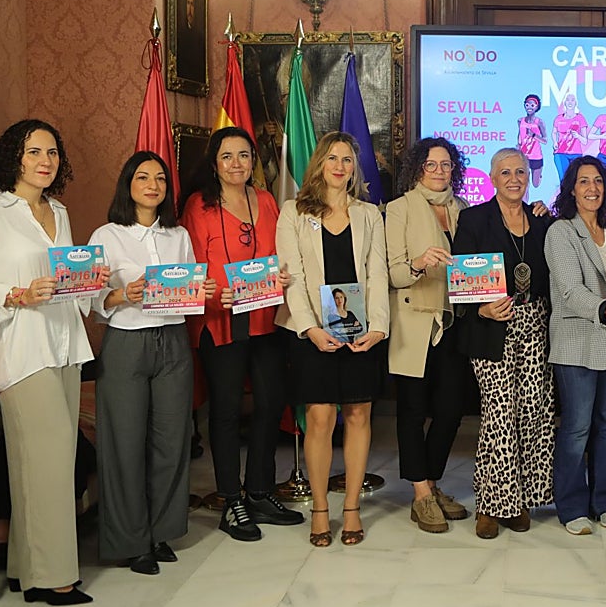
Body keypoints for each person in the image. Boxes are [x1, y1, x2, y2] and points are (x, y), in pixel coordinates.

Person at [0, 119, 103, 605]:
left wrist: (91, 280)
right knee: (51, 453)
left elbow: (66, 278)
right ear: (13, 157)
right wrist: (15, 295)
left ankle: (23, 566)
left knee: (38, 459)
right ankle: (55, 578)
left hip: (64, 341)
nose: (46, 160)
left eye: (53, 153)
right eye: (34, 151)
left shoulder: (58, 212)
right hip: (21, 348)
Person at [89, 152, 214, 575]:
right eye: (143, 177)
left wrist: (203, 287)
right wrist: (126, 294)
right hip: (126, 341)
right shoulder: (106, 235)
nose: (153, 185)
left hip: (173, 341)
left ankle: (161, 532)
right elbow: (91, 299)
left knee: (171, 440)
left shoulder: (177, 235)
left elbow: (188, 289)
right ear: (128, 184)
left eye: (160, 178)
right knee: (124, 442)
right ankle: (130, 539)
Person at [179, 126, 302, 541]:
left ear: (254, 162)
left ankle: (261, 492)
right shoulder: (198, 206)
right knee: (227, 412)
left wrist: (283, 274)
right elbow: (192, 266)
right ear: (214, 163)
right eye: (227, 156)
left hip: (265, 317)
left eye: (244, 156)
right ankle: (232, 500)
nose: (237, 164)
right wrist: (216, 296)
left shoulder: (267, 200)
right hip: (220, 320)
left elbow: (277, 253)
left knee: (270, 403)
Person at [275, 132, 388, 547]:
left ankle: (353, 507)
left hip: (361, 333)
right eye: (332, 158)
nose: (340, 166)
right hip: (312, 334)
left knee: (359, 415)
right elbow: (295, 275)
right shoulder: (293, 212)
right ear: (319, 163)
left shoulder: (369, 215)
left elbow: (377, 275)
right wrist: (311, 329)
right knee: (320, 418)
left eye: (347, 159)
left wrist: (377, 327)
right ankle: (321, 509)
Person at [452, 147, 555, 539]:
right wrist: (481, 309)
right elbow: (461, 279)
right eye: (505, 172)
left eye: (521, 172)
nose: (514, 178)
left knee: (533, 411)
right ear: (492, 179)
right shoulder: (474, 219)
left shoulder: (542, 221)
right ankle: (491, 505)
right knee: (499, 415)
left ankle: (520, 501)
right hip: (491, 327)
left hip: (535, 326)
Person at [545, 156, 606, 535]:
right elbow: (570, 291)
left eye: (599, 181)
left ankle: (605, 502)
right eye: (584, 181)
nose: (592, 188)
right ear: (572, 188)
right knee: (576, 427)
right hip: (577, 342)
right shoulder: (560, 232)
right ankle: (571, 506)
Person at [386, 137, 471, 533]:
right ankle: (420, 494)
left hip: (453, 323)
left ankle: (432, 484)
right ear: (417, 168)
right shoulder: (400, 208)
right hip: (414, 322)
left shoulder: (464, 210)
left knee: (452, 410)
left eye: (446, 164)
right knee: (412, 411)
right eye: (430, 164)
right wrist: (419, 264)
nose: (439, 171)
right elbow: (393, 274)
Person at [552, 92, 589, 181]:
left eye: (572, 100)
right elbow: (554, 132)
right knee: (564, 179)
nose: (570, 102)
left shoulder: (580, 118)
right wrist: (555, 142)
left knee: (576, 179)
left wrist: (578, 136)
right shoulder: (558, 118)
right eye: (568, 100)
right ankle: (564, 195)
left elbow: (585, 141)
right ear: (564, 103)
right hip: (561, 153)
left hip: (576, 154)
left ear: (575, 103)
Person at [517, 93, 548, 188]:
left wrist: (534, 135)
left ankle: (539, 176)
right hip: (524, 156)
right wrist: (518, 145)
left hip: (536, 156)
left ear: (537, 107)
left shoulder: (539, 122)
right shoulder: (520, 121)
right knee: (523, 184)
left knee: (535, 184)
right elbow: (519, 135)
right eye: (527, 105)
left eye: (532, 105)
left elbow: (545, 140)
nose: (529, 107)